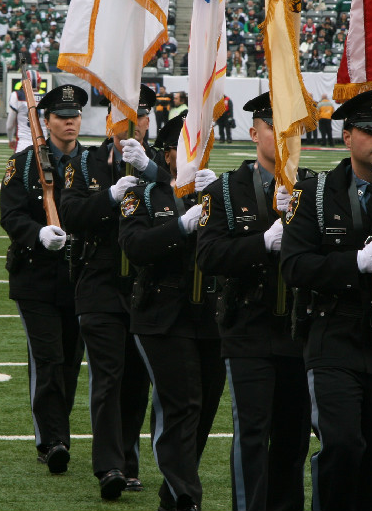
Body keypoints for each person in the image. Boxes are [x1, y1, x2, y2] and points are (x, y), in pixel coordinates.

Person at [281, 89, 372, 511]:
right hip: (333, 335)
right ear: (347, 136)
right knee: (341, 445)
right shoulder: (314, 193)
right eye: (370, 130)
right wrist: (354, 262)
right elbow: (295, 266)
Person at [196, 92, 312, 511]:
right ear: (253, 133)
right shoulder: (226, 190)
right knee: (251, 432)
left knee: (293, 437)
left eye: (290, 130)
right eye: (272, 128)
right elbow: (208, 256)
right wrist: (262, 241)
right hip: (247, 327)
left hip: (299, 332)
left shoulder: (314, 187)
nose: (282, 138)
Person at [58, 85, 163, 500]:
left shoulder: (163, 162)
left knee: (137, 382)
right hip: (99, 281)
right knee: (108, 376)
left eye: (141, 115)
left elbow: (184, 199)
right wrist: (110, 196)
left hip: (145, 285)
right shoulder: (84, 162)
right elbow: (70, 213)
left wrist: (151, 171)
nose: (135, 123)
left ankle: (128, 461)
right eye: (126, 114)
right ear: (109, 118)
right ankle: (109, 466)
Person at [118, 113, 223, 511]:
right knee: (182, 404)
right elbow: (135, 247)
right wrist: (180, 226)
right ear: (168, 155)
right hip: (161, 313)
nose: (196, 157)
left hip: (209, 316)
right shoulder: (143, 194)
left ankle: (172, 494)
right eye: (186, 149)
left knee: (205, 410)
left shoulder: (218, 192)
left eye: (201, 148)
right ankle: (186, 497)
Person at [0, 84, 89, 475]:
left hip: (81, 278)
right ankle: (51, 440)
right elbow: (11, 214)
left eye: (75, 117)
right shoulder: (22, 164)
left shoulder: (93, 163)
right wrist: (36, 233)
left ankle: (58, 430)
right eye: (61, 117)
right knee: (48, 359)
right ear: (46, 121)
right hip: (35, 276)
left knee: (70, 361)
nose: (69, 123)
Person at [6, 69, 47, 152]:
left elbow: (10, 126)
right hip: (43, 143)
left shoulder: (17, 96)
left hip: (23, 144)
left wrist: (10, 139)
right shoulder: (46, 98)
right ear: (39, 82)